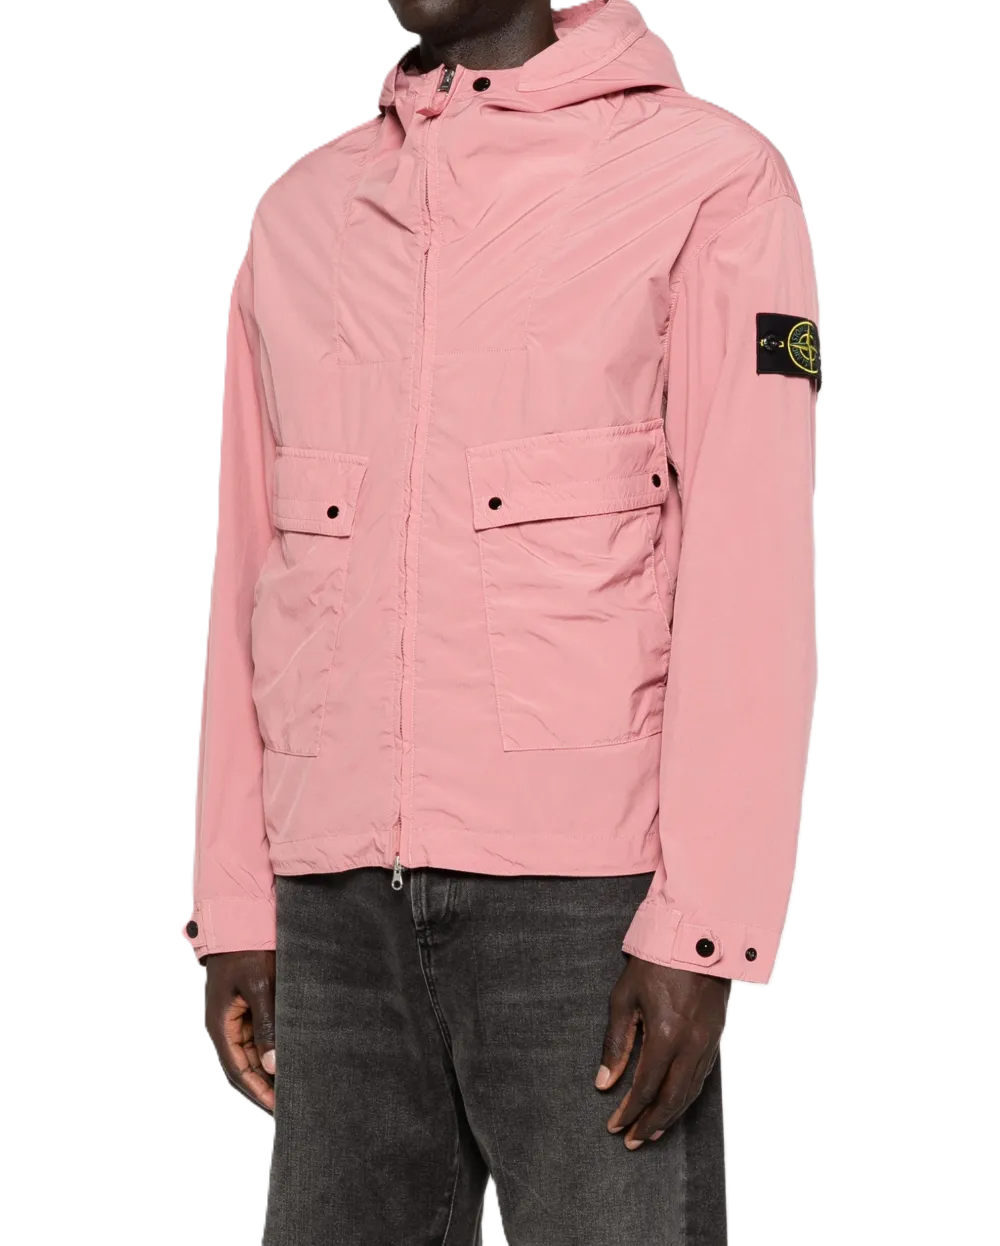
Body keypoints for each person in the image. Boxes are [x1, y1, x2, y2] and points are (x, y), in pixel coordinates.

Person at [181, 1, 820, 1241]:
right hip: (332, 905)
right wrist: (236, 903)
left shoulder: (707, 179)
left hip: (589, 916)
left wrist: (703, 930)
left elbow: (751, 571)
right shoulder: (300, 213)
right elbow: (248, 570)